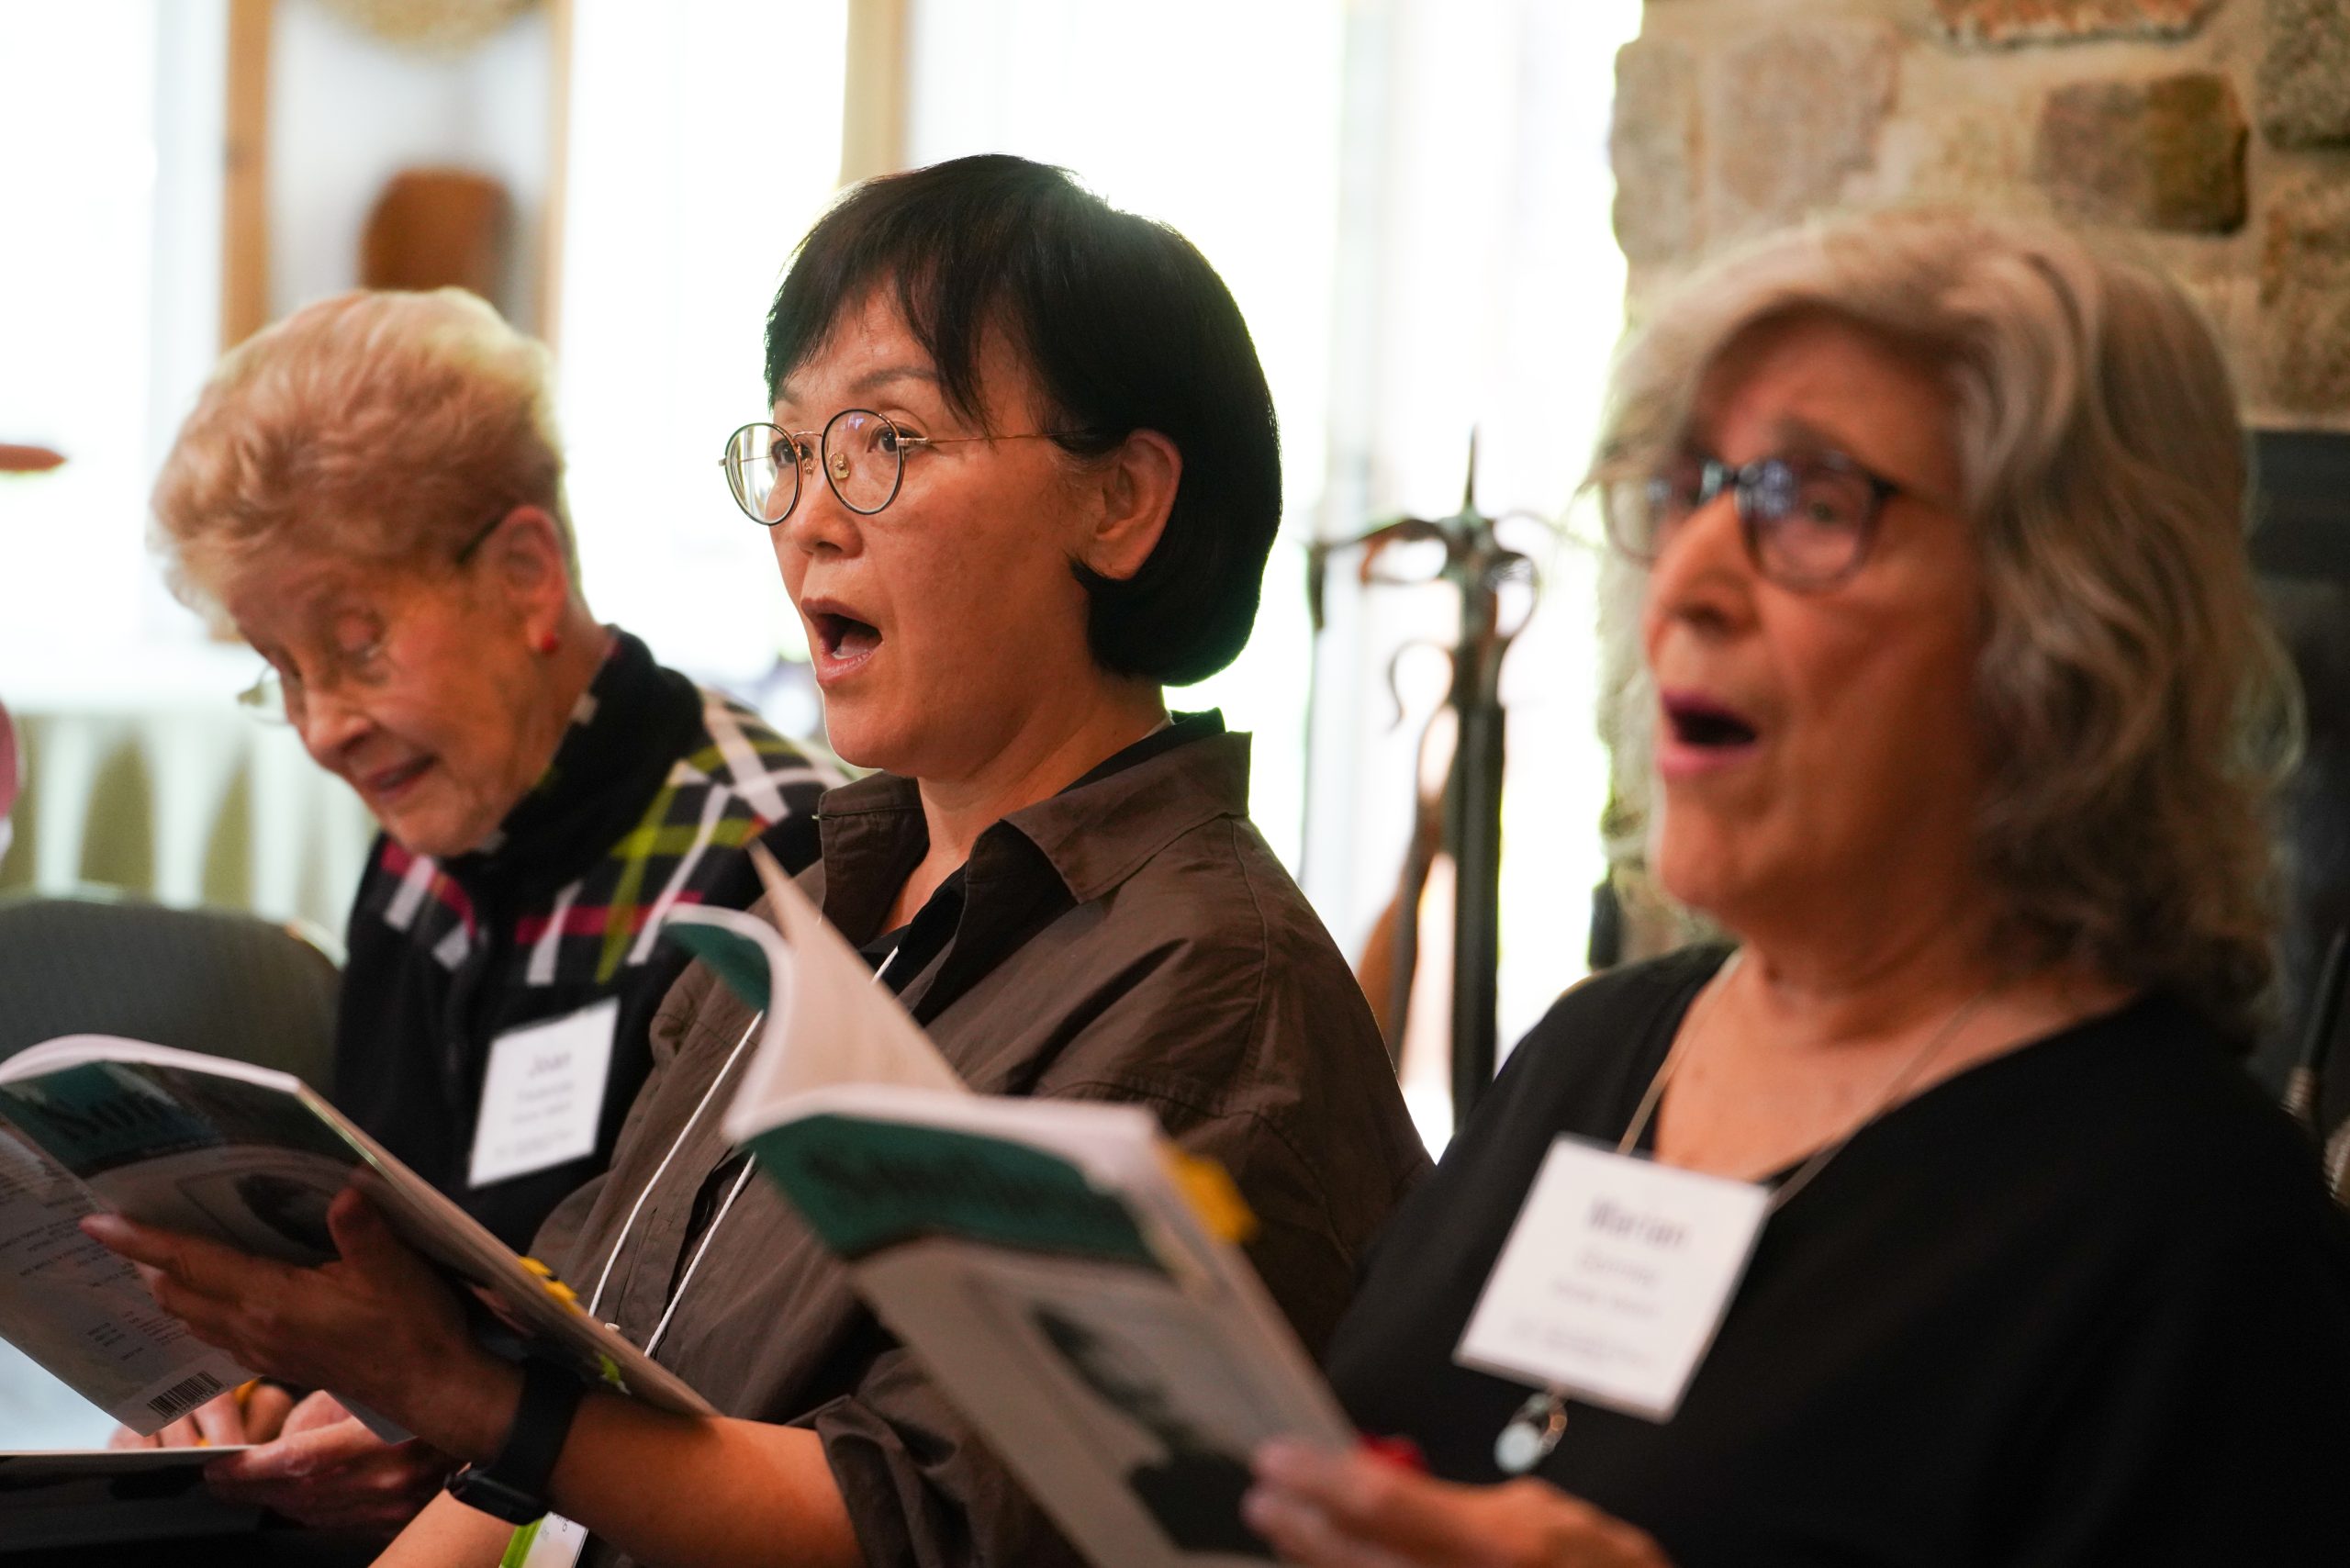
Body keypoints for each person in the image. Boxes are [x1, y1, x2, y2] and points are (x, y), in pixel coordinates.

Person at [90, 153, 1429, 1568]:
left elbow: (934, 1523)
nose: (810, 518)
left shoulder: (1209, 982)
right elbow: (591, 1370)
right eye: (792, 453)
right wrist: (468, 1409)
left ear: (1121, 503)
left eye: (885, 443)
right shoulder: (814, 895)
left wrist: (467, 1395)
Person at [1244, 209, 2350, 1568]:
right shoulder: (1593, 1053)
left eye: (1812, 505)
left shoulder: (2194, 1225)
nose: (1687, 586)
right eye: (1691, 490)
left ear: (2059, 620)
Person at [121, 289, 834, 1529]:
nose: (324, 730)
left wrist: (443, 1423)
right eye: (280, 674)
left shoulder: (776, 863)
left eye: (358, 647)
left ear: (524, 574)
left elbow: (729, 1377)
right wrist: (245, 1375)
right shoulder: (426, 842)